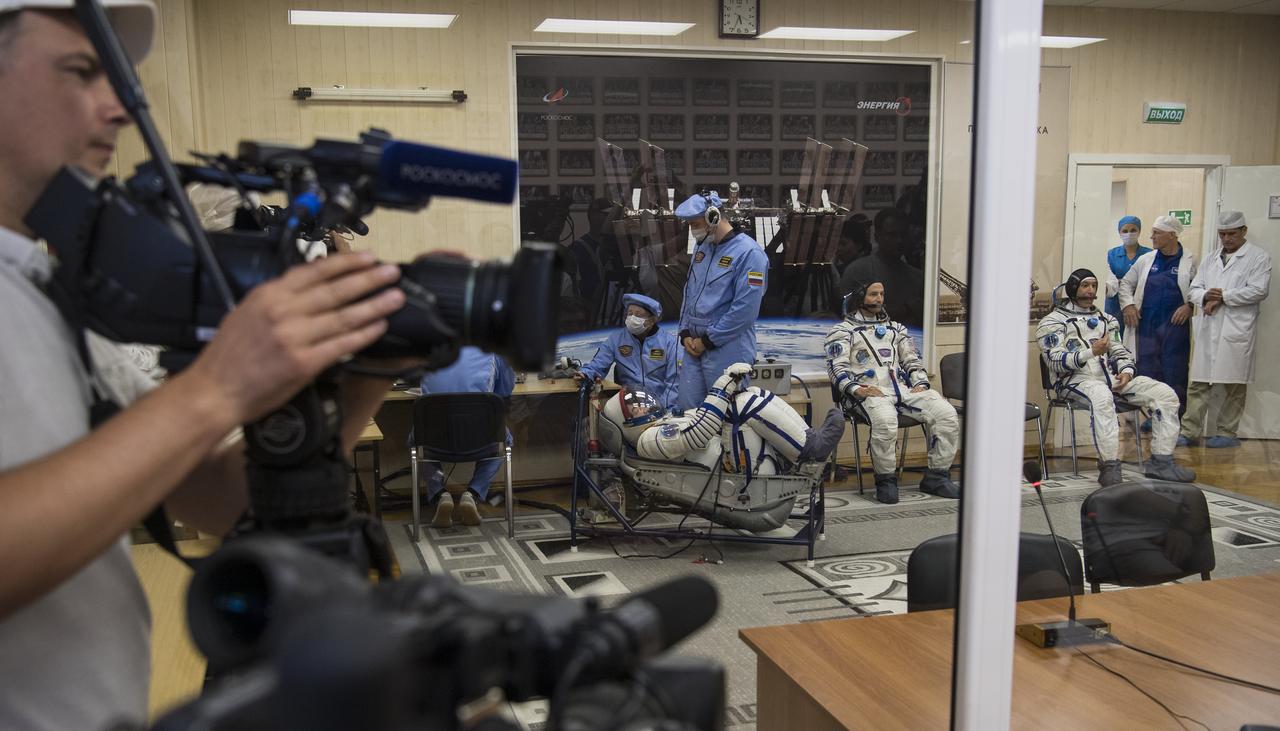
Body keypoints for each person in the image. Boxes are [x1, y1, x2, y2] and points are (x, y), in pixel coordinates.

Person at [0, 4, 412, 729]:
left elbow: (221, 502)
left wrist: (371, 369)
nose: (116, 109)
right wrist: (219, 386)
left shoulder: (49, 299)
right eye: (79, 72)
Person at [1036, 269, 1196, 486]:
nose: (1090, 291)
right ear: (1073, 288)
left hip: (1110, 379)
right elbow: (1054, 360)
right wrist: (1090, 353)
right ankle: (1109, 465)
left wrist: (1126, 371)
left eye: (1094, 286)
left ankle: (1161, 462)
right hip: (1074, 381)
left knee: (1165, 394)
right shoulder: (1052, 322)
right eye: (1085, 286)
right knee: (1102, 397)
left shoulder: (1106, 320)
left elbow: (1120, 352)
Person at [824, 280, 961, 504]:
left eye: (881, 294)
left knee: (945, 413)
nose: (879, 299)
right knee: (886, 421)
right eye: (873, 294)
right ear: (859, 297)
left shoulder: (897, 330)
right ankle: (886, 480)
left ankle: (937, 476)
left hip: (901, 390)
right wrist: (857, 390)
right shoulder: (842, 332)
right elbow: (836, 370)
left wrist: (920, 383)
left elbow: (912, 361)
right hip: (866, 393)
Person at [599, 362, 842, 477]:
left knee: (751, 393)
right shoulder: (649, 440)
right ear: (625, 424)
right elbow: (698, 433)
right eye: (634, 409)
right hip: (738, 473)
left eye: (641, 403)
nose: (643, 407)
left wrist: (729, 388)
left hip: (740, 459)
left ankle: (808, 441)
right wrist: (724, 384)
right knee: (741, 406)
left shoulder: (660, 424)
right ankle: (809, 449)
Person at [1178, 210, 1273, 448]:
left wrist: (1224, 296)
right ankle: (1189, 431)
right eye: (1222, 234)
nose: (1226, 239)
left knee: (1234, 384)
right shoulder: (1210, 258)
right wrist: (1205, 296)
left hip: (1236, 328)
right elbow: (1194, 289)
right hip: (1209, 326)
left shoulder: (1258, 257)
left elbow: (1259, 290)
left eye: (1232, 234)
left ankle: (1227, 433)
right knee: (1198, 383)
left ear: (1244, 231)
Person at [674, 191, 768, 411]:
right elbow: (690, 291)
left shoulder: (750, 254)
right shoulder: (702, 248)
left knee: (726, 416)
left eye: (695, 224)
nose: (692, 230)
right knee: (689, 413)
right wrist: (685, 332)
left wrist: (708, 340)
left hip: (727, 348)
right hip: (694, 346)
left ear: (713, 217)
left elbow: (745, 310)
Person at [419, 347, 516, 527]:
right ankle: (473, 494)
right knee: (504, 440)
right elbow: (505, 392)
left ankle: (440, 494)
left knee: (417, 442)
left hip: (436, 441)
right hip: (480, 440)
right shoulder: (494, 351)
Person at [1118, 215, 1196, 415]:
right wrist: (1128, 306)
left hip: (1175, 327)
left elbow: (1199, 288)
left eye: (1157, 233)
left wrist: (1190, 306)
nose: (1151, 236)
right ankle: (1153, 416)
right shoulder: (1146, 260)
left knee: (1175, 371)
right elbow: (1126, 283)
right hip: (1147, 326)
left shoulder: (1190, 260)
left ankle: (1175, 417)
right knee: (1148, 371)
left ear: (1172, 235)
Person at [574, 293, 679, 411]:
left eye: (638, 315)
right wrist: (586, 374)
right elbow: (598, 364)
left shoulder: (670, 343)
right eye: (630, 314)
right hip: (629, 406)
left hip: (662, 406)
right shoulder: (616, 339)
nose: (632, 318)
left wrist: (659, 408)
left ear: (652, 320)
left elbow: (675, 383)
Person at [838, 207, 925, 329]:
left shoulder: (917, 278)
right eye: (892, 235)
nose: (899, 240)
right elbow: (854, 318)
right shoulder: (858, 271)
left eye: (903, 234)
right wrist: (907, 309)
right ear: (877, 237)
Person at [1104, 215, 1151, 339]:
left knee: (1137, 340)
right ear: (1119, 233)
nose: (1129, 234)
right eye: (1125, 231)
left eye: (1133, 230)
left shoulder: (1149, 254)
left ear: (1139, 231)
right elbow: (1108, 279)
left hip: (1139, 303)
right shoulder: (1112, 254)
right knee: (1114, 337)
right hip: (1114, 305)